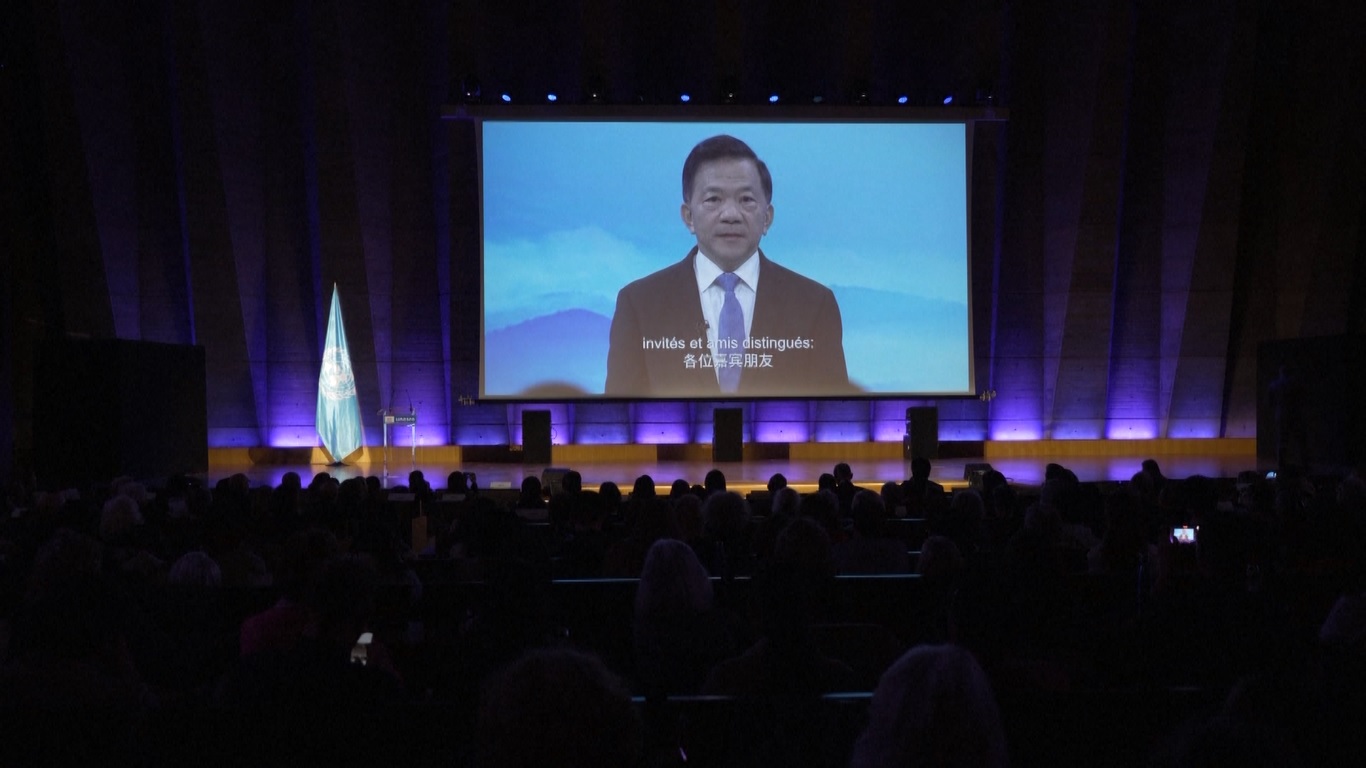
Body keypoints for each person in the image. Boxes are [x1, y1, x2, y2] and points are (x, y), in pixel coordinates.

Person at [605, 134, 850, 396]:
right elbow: (619, 423)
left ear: (767, 218)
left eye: (746, 200)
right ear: (688, 217)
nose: (731, 215)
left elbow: (835, 421)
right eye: (713, 199)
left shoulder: (814, 304)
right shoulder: (640, 304)